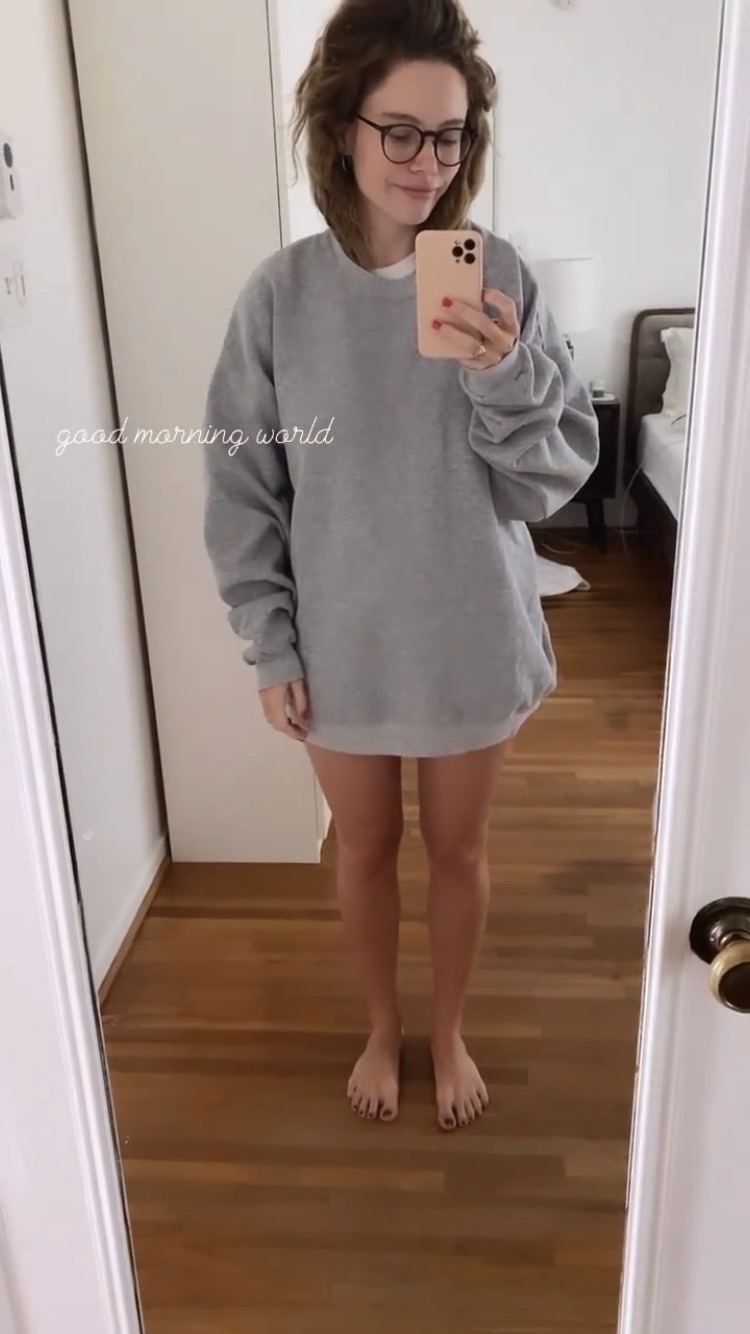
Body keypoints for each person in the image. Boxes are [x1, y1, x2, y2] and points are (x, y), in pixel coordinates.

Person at [201, 0, 599, 1132]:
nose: (431, 162)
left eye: (453, 135)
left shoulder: (496, 274)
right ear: (343, 130)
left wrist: (504, 376)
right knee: (367, 849)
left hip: (470, 626)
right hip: (341, 640)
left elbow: (549, 479)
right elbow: (241, 482)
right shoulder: (280, 297)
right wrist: (270, 642)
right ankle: (383, 1026)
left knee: (459, 850)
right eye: (403, 131)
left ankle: (449, 1027)